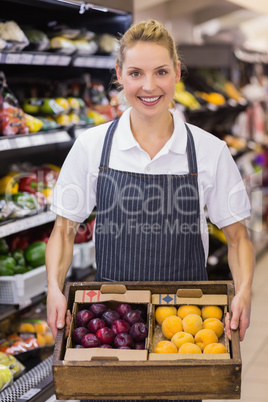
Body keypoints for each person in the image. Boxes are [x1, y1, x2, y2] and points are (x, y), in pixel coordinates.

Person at [45, 19, 255, 402]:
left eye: (161, 72)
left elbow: (238, 237)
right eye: (136, 73)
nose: (148, 86)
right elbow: (63, 229)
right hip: (114, 321)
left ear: (177, 71)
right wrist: (53, 289)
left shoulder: (209, 151)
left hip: (188, 325)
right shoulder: (93, 147)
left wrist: (243, 292)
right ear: (119, 76)